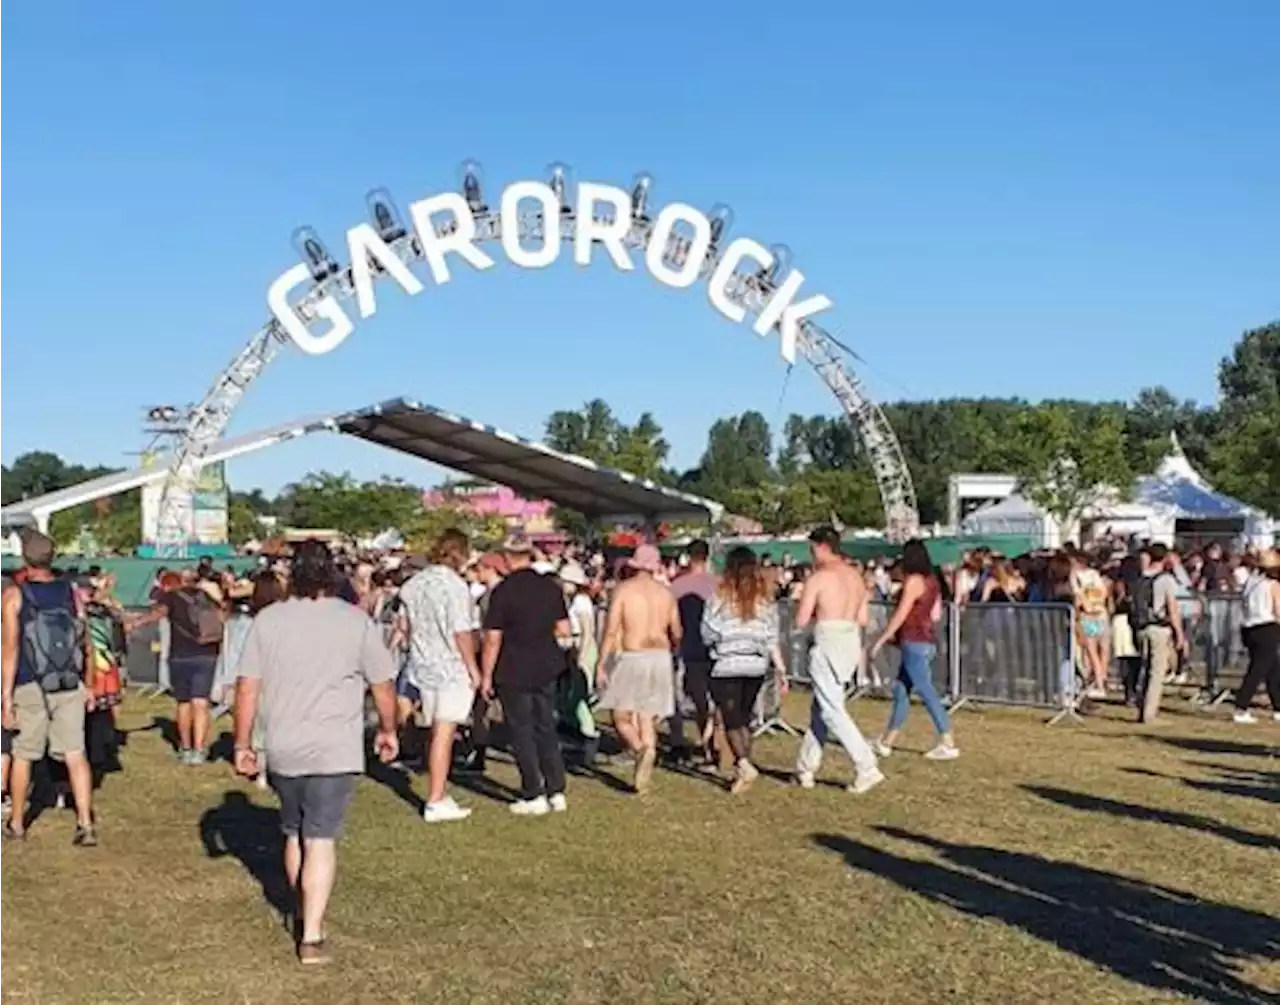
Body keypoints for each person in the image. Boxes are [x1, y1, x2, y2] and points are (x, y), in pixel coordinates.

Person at [232, 540, 398, 966]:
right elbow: (382, 683)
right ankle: (311, 933)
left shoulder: (268, 621)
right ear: (331, 574)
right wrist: (389, 728)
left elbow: (247, 686)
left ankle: (304, 909)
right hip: (335, 747)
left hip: (284, 744)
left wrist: (242, 743)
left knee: (294, 832)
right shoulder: (354, 621)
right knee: (320, 838)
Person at [0, 531, 98, 845]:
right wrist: (91, 683)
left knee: (24, 754)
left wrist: (4, 697)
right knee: (75, 752)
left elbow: (10, 649)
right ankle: (85, 822)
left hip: (30, 684)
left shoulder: (15, 596)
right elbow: (86, 641)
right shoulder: (71, 592)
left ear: (25, 559)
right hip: (69, 682)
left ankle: (17, 822)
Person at [480, 534, 570, 816]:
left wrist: (486, 676)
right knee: (546, 726)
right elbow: (564, 629)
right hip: (546, 663)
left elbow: (493, 638)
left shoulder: (503, 592)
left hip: (514, 666)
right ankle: (556, 788)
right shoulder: (550, 588)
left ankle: (533, 790)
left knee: (521, 730)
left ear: (507, 557)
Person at [791, 527, 885, 793]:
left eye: (812, 548)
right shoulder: (855, 577)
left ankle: (866, 765)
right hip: (850, 638)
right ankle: (806, 767)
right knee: (822, 706)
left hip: (828, 637)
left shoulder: (819, 578)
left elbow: (801, 618)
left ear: (821, 547)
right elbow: (863, 618)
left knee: (831, 709)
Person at [399, 529, 482, 824]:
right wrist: (473, 668)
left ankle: (437, 792)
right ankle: (435, 797)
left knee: (436, 730)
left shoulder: (412, 585)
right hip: (450, 666)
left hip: (423, 664)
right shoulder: (456, 587)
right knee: (445, 734)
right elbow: (461, 631)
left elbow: (406, 626)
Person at [700, 547, 788, 794]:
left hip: (726, 664)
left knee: (731, 719)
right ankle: (743, 767)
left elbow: (708, 632)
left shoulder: (719, 598)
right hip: (755, 665)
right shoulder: (765, 601)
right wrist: (781, 668)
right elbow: (772, 637)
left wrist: (723, 640)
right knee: (745, 716)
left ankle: (743, 763)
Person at [596, 544, 682, 794]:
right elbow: (677, 631)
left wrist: (602, 663)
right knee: (647, 714)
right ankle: (647, 761)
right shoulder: (667, 594)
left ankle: (639, 749)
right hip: (661, 655)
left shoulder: (624, 590)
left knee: (621, 715)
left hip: (634, 655)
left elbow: (611, 630)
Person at [871, 538, 959, 761]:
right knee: (902, 690)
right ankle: (887, 741)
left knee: (926, 690)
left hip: (914, 640)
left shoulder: (914, 581)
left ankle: (947, 740)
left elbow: (901, 612)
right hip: (924, 639)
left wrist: (882, 638)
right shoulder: (932, 581)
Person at [151, 572, 224, 764]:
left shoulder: (172, 597)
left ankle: (185, 748)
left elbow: (157, 613)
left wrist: (133, 623)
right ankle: (199, 750)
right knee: (201, 703)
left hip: (181, 655)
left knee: (183, 703)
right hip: (207, 653)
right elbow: (223, 615)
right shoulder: (206, 596)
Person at [668, 539, 719, 767]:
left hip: (691, 649)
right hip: (718, 649)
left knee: (699, 702)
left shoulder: (677, 586)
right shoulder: (719, 584)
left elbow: (671, 621)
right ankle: (715, 745)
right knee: (718, 700)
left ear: (688, 557)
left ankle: (709, 745)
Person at [1130, 544, 1186, 725]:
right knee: (1157, 673)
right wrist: (1179, 633)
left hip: (1141, 627)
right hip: (1158, 628)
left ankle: (1141, 708)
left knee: (1145, 670)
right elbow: (1172, 607)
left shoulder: (1140, 578)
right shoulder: (1165, 579)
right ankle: (1150, 714)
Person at [558, 562, 602, 765]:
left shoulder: (581, 602)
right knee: (570, 694)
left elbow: (587, 630)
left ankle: (589, 735)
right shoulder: (574, 601)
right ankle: (576, 734)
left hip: (583, 649)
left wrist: (582, 655)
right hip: (574, 648)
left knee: (579, 696)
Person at [1231, 550, 1280, 725]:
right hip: (1267, 627)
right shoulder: (1272, 584)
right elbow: (1277, 609)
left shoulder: (1250, 582)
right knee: (1258, 670)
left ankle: (1278, 707)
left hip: (1249, 627)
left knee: (1273, 669)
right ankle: (1241, 706)